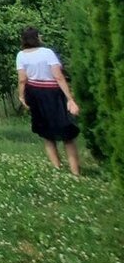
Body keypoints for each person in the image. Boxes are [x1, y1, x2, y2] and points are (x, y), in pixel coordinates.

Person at [16, 27, 80, 176]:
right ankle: (75, 173)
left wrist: (21, 96)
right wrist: (70, 98)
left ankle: (57, 169)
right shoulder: (48, 53)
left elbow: (22, 79)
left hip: (35, 93)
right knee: (67, 133)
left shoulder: (21, 55)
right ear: (37, 37)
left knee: (47, 134)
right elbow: (58, 76)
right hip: (53, 93)